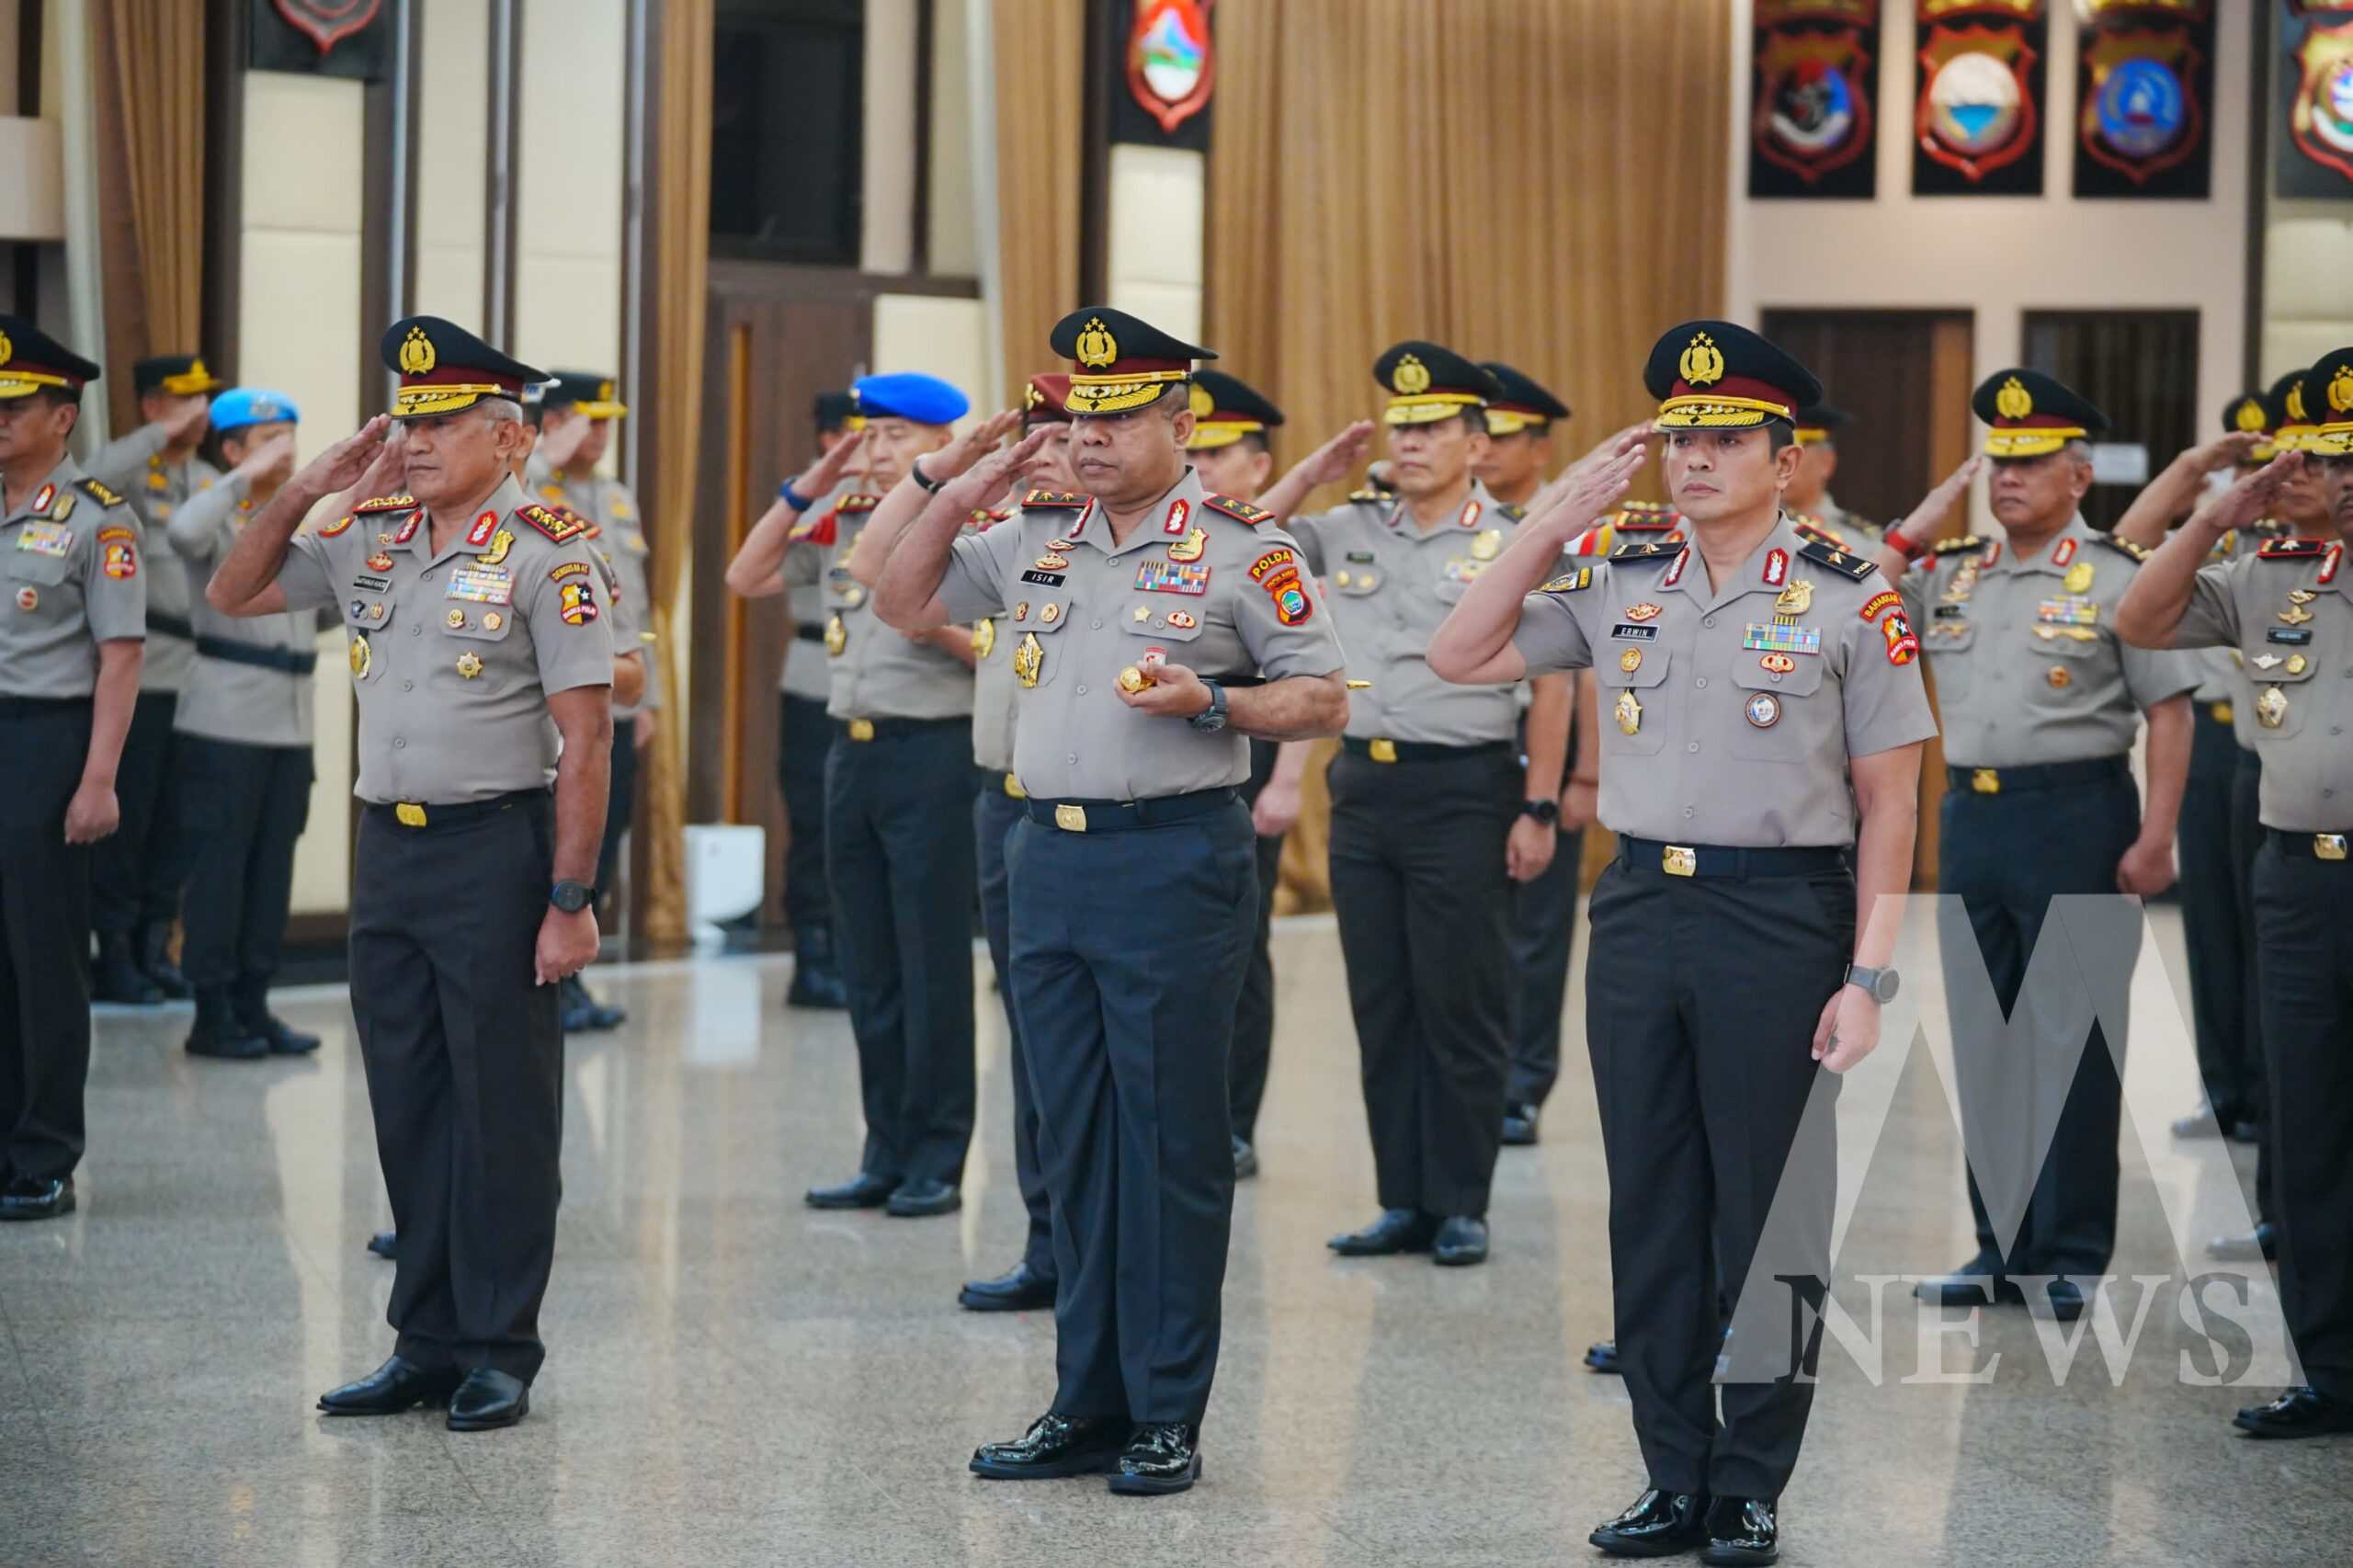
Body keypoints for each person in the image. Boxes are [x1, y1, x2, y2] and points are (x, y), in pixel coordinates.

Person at [1429, 320, 1934, 1563]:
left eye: (1724, 440)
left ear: (1784, 457)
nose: (1694, 459)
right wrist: (1552, 520)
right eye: (1678, 439)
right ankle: (1672, 1471)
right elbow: (1458, 650)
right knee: (1652, 1202)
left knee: (1771, 1212)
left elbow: (1891, 802)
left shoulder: (1851, 590)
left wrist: (1868, 976)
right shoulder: (1620, 572)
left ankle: (1750, 1480)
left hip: (1783, 914)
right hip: (1642, 906)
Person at [875, 306, 1347, 1494]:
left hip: (1172, 859)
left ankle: (1166, 1410)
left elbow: (1322, 696)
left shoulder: (1245, 548)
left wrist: (1214, 702)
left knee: (1169, 1142)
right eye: (1078, 417)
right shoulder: (1032, 534)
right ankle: (1084, 1399)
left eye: (1117, 417)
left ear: (1180, 424)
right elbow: (895, 595)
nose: (1087, 436)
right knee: (1072, 1138)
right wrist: (965, 480)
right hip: (1047, 857)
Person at [207, 316, 615, 1431]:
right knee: (409, 1100)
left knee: (502, 1108)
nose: (417, 443)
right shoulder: (370, 533)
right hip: (388, 847)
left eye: (444, 425)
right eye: (409, 423)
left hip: (497, 849)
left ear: (510, 436)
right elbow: (233, 590)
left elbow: (588, 739)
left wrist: (571, 899)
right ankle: (424, 1340)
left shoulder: (550, 551)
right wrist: (313, 488)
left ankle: (500, 1346)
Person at [1873, 373, 2197, 1324]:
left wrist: (2158, 836)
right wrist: (1912, 532)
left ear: (2079, 475)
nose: (2007, 478)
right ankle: (1998, 1248)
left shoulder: (2121, 573)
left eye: (2030, 462)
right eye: (1998, 463)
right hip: (1973, 820)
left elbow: (2170, 713)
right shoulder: (1952, 572)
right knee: (1986, 1040)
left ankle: (2071, 1251)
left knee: (2073, 1040)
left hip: (2078, 816)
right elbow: (1855, 608)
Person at [1289, 342, 1567, 1269]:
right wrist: (1314, 472)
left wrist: (1540, 805)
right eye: (1399, 427)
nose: (1408, 441)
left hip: (1466, 788)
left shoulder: (1517, 539)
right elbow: (1241, 536)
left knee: (1461, 1001)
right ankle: (1401, 1198)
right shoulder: (1347, 525)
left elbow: (1555, 686)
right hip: (1364, 786)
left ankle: (1460, 1202)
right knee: (1382, 1002)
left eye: (1431, 427)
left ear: (1475, 444)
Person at [2117, 354, 2353, 1439]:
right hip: (2297, 879)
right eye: (2327, 462)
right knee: (2305, 1126)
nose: (2336, 480)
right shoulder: (2268, 573)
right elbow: (2139, 616)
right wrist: (2215, 514)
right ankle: (2331, 1368)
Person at [727, 371, 979, 1219]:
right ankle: (884, 1150)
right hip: (852, 752)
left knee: (930, 965)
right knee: (868, 963)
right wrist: (811, 483)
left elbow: (998, 649)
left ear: (943, 443)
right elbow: (746, 574)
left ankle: (938, 1156)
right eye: (869, 436)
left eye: (896, 436)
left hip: (933, 754)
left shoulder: (972, 524)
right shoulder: (844, 520)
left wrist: (924, 619)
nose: (877, 451)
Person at [2109, 392, 2281, 1160]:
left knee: (2272, 930)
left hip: (2275, 747)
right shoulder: (2221, 529)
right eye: (2254, 460)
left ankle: (2275, 1093)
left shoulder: (2306, 542)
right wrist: (2196, 475)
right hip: (2214, 739)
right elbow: (2127, 546)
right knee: (2211, 924)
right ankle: (2223, 1088)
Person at [0, 317, 146, 1221]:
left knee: (43, 955)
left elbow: (121, 657)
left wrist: (98, 779)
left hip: (47, 741)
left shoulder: (98, 518)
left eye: (13, 408)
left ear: (63, 416)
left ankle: (44, 1153)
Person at [164, 387, 323, 1061]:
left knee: (270, 873)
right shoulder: (218, 513)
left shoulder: (295, 522)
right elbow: (181, 533)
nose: (285, 451)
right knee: (219, 872)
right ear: (231, 450)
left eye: (289, 436)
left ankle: (255, 1003)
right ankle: (212, 1012)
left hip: (290, 724)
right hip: (224, 724)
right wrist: (241, 480)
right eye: (267, 440)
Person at [1185, 369, 1300, 1179]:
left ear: (1257, 466)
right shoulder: (1171, 540)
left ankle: (1233, 1120)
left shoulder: (1270, 550)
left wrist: (1287, 779)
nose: (1201, 466)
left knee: (1240, 949)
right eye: (1195, 451)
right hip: (1168, 764)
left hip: (1247, 757)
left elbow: (1314, 681)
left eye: (1218, 453)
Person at [82, 353, 223, 1004]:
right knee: (129, 821)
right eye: (185, 399)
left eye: (204, 399)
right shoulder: (130, 473)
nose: (200, 411)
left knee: (179, 824)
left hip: (200, 678)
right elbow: (91, 477)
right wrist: (158, 435)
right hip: (143, 675)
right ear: (151, 405)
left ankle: (153, 946)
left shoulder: (210, 480)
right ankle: (114, 955)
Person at [1475, 362, 1586, 1150]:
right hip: (1477, 735)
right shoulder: (1466, 525)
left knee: (1538, 929)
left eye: (1503, 437)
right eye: (1477, 435)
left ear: (1540, 448)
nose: (1484, 450)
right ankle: (1481, 1076)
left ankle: (1523, 1083)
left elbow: (1590, 669)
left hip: (1552, 731)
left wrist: (1585, 775)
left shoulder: (1570, 535)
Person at [528, 369, 656, 1033]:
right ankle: (544, 981)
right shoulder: (528, 484)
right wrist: (542, 453)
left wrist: (649, 702)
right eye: (591, 421)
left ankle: (574, 976)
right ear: (552, 424)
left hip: (617, 694)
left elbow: (637, 606)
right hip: (554, 702)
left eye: (609, 423)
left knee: (601, 841)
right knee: (551, 841)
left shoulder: (615, 496)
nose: (602, 435)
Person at [767, 391, 864, 1003]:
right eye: (861, 434)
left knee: (858, 827)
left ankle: (852, 952)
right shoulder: (808, 500)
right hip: (815, 676)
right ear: (830, 439)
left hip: (876, 681)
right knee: (814, 823)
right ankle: (813, 956)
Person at [1780, 403, 1878, 544]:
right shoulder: (1753, 528)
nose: (1781, 464)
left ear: (1826, 463)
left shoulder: (1863, 541)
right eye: (1774, 453)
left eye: (1794, 453)